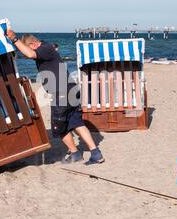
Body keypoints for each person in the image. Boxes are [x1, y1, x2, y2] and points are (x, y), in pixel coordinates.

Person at [6, 30, 105, 165]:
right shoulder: (46, 46)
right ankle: (96, 153)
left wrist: (14, 39)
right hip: (71, 90)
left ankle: (75, 153)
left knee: (59, 129)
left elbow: (30, 54)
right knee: (77, 123)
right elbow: (33, 50)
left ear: (34, 44)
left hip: (62, 93)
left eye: (29, 48)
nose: (30, 57)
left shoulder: (44, 49)